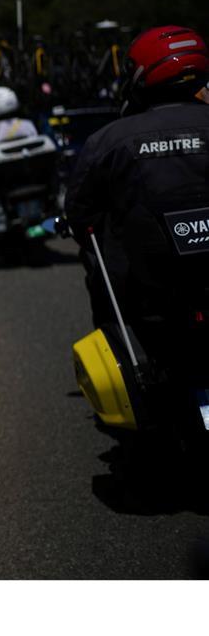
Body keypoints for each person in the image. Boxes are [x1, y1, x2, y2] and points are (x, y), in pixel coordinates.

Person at [65, 24, 209, 392]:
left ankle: (131, 382)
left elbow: (80, 214)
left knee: (100, 272)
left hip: (153, 293)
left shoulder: (109, 139)